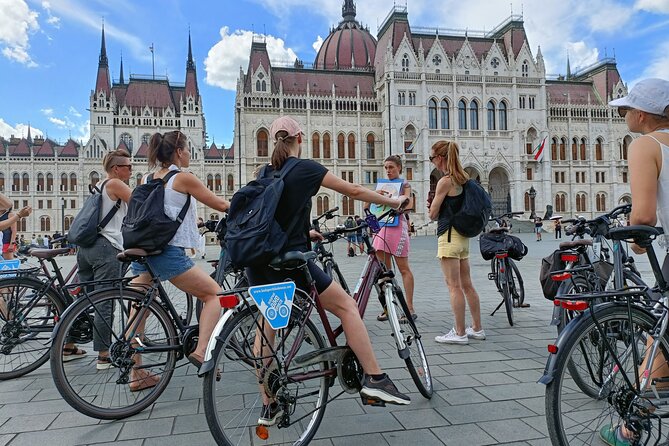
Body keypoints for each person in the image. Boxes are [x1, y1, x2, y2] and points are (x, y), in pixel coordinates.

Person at [246, 116, 411, 424]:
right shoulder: (305, 168)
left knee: (266, 327)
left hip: (259, 263)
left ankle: (267, 405)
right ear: (300, 138)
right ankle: (375, 380)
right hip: (290, 264)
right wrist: (394, 199)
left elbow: (272, 216)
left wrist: (305, 230)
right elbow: (354, 191)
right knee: (348, 307)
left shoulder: (263, 172)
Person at [130, 130, 229, 390]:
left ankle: (136, 372)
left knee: (138, 306)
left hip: (142, 250)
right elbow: (219, 204)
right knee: (214, 294)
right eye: (187, 150)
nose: (189, 154)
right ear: (178, 152)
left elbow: (161, 211)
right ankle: (202, 351)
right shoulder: (183, 178)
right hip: (166, 252)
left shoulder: (145, 177)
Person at [599, 78, 669, 445]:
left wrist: (637, 245)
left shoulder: (646, 145)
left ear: (642, 114)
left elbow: (642, 217)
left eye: (626, 109)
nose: (624, 115)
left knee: (657, 340)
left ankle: (629, 430)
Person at [74, 149, 133, 369]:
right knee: (104, 301)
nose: (131, 169)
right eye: (128, 166)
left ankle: (69, 345)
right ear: (116, 168)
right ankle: (103, 355)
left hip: (86, 248)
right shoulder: (115, 184)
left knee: (85, 300)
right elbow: (139, 204)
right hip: (105, 248)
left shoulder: (98, 185)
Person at [428, 141, 484, 345]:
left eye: (432, 158)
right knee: (467, 285)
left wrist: (435, 204)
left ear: (440, 158)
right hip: (462, 237)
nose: (432, 162)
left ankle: (459, 332)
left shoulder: (446, 181)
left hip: (449, 235)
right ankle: (477, 328)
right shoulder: (464, 179)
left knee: (453, 286)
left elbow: (433, 213)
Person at [371, 155, 416, 322]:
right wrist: (374, 195)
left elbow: (408, 205)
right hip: (382, 227)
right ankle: (388, 307)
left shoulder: (405, 185)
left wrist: (395, 200)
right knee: (383, 271)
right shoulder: (380, 186)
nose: (388, 171)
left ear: (399, 168)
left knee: (403, 268)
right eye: (386, 168)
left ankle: (409, 308)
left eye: (391, 167)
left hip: (397, 228)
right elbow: (368, 206)